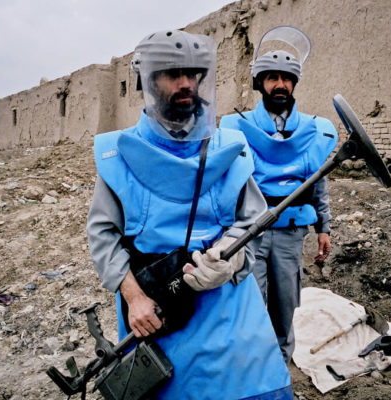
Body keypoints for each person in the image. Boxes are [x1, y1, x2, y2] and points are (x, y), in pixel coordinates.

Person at [87, 29, 293, 399]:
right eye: (172, 73)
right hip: (157, 309)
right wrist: (134, 299)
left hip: (230, 307)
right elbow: (103, 236)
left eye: (192, 74)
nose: (186, 84)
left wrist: (230, 258)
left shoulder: (229, 147)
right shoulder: (118, 155)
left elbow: (252, 221)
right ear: (147, 81)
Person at [220, 26, 339, 364]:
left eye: (286, 78)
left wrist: (324, 228)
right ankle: (256, 371)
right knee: (252, 304)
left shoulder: (312, 130)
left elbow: (318, 179)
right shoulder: (238, 127)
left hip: (290, 233)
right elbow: (227, 180)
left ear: (294, 83)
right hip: (250, 232)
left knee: (286, 307)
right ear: (260, 83)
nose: (279, 84)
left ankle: (281, 371)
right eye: (271, 77)